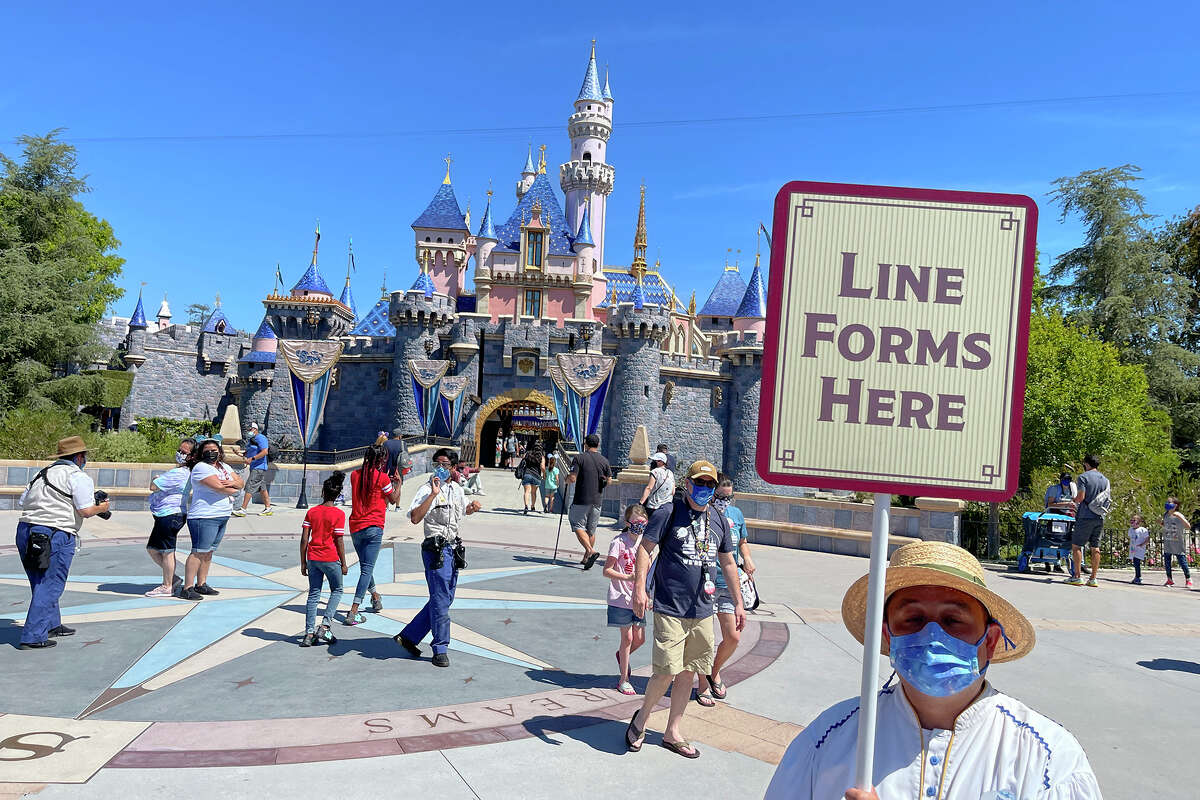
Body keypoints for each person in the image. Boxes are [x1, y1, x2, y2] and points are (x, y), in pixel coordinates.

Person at [765, 541, 1101, 799]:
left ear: (990, 639)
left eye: (954, 620)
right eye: (912, 619)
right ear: (888, 635)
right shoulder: (826, 742)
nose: (932, 635)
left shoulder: (1046, 758)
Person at [625, 461, 745, 759]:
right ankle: (641, 719)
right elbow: (644, 549)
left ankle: (672, 730)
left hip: (703, 608)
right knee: (666, 671)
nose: (704, 489)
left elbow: (728, 562)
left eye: (709, 484)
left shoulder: (718, 518)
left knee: (690, 671)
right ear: (686, 483)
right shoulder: (669, 512)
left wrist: (739, 601)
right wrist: (640, 588)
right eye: (699, 483)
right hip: (670, 605)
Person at [15, 436, 111, 649]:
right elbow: (85, 511)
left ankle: (51, 623)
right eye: (85, 456)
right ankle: (33, 636)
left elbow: (23, 501)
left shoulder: (42, 473)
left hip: (26, 530)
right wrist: (102, 508)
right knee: (51, 584)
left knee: (39, 581)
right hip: (55, 533)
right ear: (78, 457)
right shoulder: (78, 477)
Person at [394, 449, 482, 667]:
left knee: (444, 598)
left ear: (453, 468)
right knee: (441, 598)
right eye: (437, 464)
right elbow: (415, 517)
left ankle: (409, 636)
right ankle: (440, 647)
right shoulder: (426, 489)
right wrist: (433, 494)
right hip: (436, 550)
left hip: (453, 549)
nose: (440, 469)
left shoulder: (457, 489)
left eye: (444, 465)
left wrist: (471, 508)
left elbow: (463, 512)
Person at [697, 477, 755, 706]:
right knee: (704, 638)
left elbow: (742, 542)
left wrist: (748, 558)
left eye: (728, 497)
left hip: (729, 585)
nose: (724, 501)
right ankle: (702, 684)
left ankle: (714, 670)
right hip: (706, 583)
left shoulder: (737, 514)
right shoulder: (704, 514)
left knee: (733, 636)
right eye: (720, 497)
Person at [343, 444, 403, 625]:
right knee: (367, 569)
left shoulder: (355, 475)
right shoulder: (383, 478)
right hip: (374, 526)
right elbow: (392, 500)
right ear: (382, 460)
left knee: (365, 567)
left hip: (355, 526)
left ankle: (375, 597)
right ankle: (354, 611)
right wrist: (397, 484)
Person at [181, 438, 243, 601]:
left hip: (221, 514)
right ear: (201, 453)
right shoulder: (201, 467)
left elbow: (241, 482)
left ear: (219, 452)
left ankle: (201, 583)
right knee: (198, 552)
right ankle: (187, 587)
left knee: (208, 552)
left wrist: (233, 483)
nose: (211, 452)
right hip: (204, 516)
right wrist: (234, 488)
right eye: (207, 450)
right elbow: (219, 487)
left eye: (214, 450)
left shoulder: (224, 467)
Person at [604, 503, 649, 695]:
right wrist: (628, 577)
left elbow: (649, 570)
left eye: (643, 523)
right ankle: (624, 679)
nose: (640, 527)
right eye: (637, 523)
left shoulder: (645, 544)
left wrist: (648, 592)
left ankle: (622, 656)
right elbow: (607, 570)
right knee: (628, 637)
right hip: (620, 597)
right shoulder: (619, 542)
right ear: (628, 523)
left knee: (639, 639)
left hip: (638, 598)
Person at [300, 472, 348, 647]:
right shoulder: (338, 514)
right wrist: (343, 562)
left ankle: (309, 633)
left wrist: (303, 562)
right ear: (337, 495)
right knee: (337, 590)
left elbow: (305, 538)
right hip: (330, 558)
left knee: (313, 594)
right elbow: (339, 540)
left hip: (313, 557)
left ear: (323, 493)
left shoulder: (312, 512)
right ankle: (325, 625)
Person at [144, 437, 195, 597]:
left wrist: (155, 478)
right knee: (153, 548)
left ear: (192, 456)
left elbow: (154, 486)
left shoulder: (179, 473)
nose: (179, 454)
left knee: (166, 550)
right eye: (179, 450)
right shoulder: (185, 472)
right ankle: (172, 579)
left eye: (184, 452)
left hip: (170, 514)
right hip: (168, 514)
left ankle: (167, 585)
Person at [565, 434, 611, 570]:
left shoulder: (579, 458)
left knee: (577, 525)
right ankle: (586, 558)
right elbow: (609, 481)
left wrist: (566, 479)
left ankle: (590, 551)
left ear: (585, 444)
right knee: (591, 530)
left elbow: (573, 478)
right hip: (597, 499)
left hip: (581, 499)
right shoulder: (604, 460)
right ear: (598, 445)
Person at [1067, 454, 1109, 588]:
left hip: (1085, 515)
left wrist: (1073, 501)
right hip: (1099, 516)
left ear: (1086, 464)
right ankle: (1093, 578)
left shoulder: (1083, 477)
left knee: (1077, 546)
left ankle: (1077, 576)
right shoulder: (1105, 480)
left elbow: (1081, 497)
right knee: (1095, 547)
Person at [233, 422, 272, 517]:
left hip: (259, 467)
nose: (248, 431)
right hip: (254, 467)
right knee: (262, 488)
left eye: (249, 429)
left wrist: (252, 459)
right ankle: (268, 508)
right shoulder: (252, 440)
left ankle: (243, 509)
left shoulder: (261, 438)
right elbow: (248, 453)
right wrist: (239, 453)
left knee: (249, 487)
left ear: (255, 429)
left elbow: (265, 452)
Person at [1162, 497, 1192, 588]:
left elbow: (1188, 526)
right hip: (1168, 541)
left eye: (1169, 502)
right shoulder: (1166, 514)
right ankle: (1169, 579)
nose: (1167, 503)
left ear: (1175, 505)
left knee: (1182, 561)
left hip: (1177, 542)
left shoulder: (1178, 514)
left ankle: (1188, 579)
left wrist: (1179, 517)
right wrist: (1161, 523)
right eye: (1167, 502)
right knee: (1167, 561)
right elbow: (1166, 524)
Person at [517, 443, 545, 515]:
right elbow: (542, 467)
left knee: (527, 491)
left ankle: (526, 506)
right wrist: (545, 474)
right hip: (536, 476)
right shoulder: (541, 457)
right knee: (533, 492)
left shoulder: (528, 454)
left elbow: (523, 461)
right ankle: (532, 506)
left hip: (527, 474)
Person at [1128, 514, 1149, 585]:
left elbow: (1147, 539)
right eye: (1131, 521)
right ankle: (1137, 576)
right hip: (1133, 549)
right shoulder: (1130, 530)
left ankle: (1138, 577)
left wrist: (1142, 544)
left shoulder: (1143, 530)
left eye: (1134, 521)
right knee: (1135, 562)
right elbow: (1131, 539)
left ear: (1139, 522)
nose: (1132, 522)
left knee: (1137, 562)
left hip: (1139, 549)